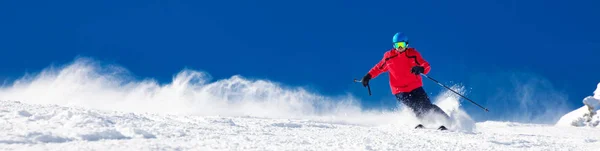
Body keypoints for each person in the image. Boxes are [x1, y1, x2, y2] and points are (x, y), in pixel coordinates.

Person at [361, 32, 450, 130]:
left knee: (427, 106)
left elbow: (425, 65)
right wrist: (368, 76)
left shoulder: (413, 54)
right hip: (399, 90)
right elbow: (378, 68)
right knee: (415, 106)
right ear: (393, 45)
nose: (399, 47)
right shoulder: (388, 57)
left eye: (402, 45)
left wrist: (420, 69)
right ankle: (427, 124)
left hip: (415, 86)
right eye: (397, 45)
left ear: (406, 44)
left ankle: (448, 122)